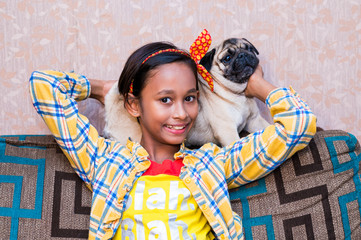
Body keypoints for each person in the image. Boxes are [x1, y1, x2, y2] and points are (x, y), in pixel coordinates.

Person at [29, 30, 317, 240]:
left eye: (190, 98)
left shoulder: (212, 163)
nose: (181, 113)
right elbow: (44, 85)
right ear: (133, 104)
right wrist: (105, 89)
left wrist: (256, 83)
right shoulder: (104, 160)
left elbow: (300, 125)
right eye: (165, 100)